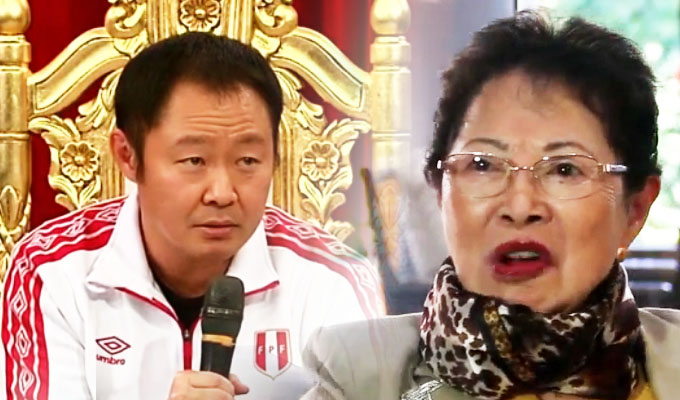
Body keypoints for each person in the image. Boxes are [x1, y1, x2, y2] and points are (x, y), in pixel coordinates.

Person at [302, 11, 680, 400]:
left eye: (564, 169)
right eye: (482, 165)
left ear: (635, 210)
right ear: (441, 194)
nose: (520, 205)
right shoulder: (356, 380)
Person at [0, 32, 385, 400]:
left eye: (248, 160)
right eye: (194, 160)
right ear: (128, 156)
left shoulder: (333, 278)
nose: (222, 193)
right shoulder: (51, 271)